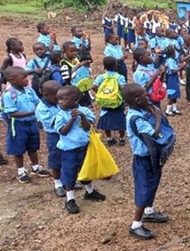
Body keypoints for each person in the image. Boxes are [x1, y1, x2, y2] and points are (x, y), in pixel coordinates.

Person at [122, 84, 170, 240]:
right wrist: (158, 116)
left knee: (152, 183)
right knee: (144, 188)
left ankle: (149, 211)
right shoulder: (136, 119)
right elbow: (154, 135)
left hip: (149, 157)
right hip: (143, 159)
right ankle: (136, 224)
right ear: (137, 100)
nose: (148, 97)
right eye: (145, 95)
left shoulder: (139, 112)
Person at [53, 85, 104, 214]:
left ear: (75, 99)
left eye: (64, 99)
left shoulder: (85, 111)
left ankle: (90, 191)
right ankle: (70, 199)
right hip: (69, 151)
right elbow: (63, 132)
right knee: (69, 173)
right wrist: (72, 119)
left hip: (84, 148)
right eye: (59, 99)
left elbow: (87, 127)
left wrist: (82, 116)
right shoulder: (60, 115)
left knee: (86, 170)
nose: (60, 102)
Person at [2, 67, 50, 183]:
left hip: (32, 123)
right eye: (23, 78)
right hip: (18, 125)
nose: (26, 79)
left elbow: (38, 103)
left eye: (26, 77)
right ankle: (21, 171)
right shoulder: (9, 95)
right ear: (12, 80)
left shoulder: (29, 91)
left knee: (33, 146)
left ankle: (36, 167)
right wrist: (31, 112)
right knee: (18, 148)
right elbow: (11, 113)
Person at [35, 80, 64, 196]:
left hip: (66, 134)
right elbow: (55, 122)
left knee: (68, 158)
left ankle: (66, 181)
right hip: (54, 136)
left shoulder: (58, 102)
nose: (60, 99)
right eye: (56, 96)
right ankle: (57, 183)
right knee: (56, 159)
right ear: (45, 94)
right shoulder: (41, 108)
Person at [93, 57, 127, 146]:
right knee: (120, 119)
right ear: (116, 66)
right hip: (117, 102)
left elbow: (94, 86)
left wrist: (101, 93)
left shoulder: (101, 77)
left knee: (106, 119)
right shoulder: (119, 77)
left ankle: (109, 138)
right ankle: (122, 138)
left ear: (104, 66)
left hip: (105, 102)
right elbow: (123, 88)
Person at [164, 45, 184, 116]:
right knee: (172, 94)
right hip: (171, 78)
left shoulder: (171, 60)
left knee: (175, 94)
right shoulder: (170, 60)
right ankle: (168, 110)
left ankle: (174, 108)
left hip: (174, 78)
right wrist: (181, 68)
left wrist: (179, 66)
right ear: (172, 53)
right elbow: (172, 71)